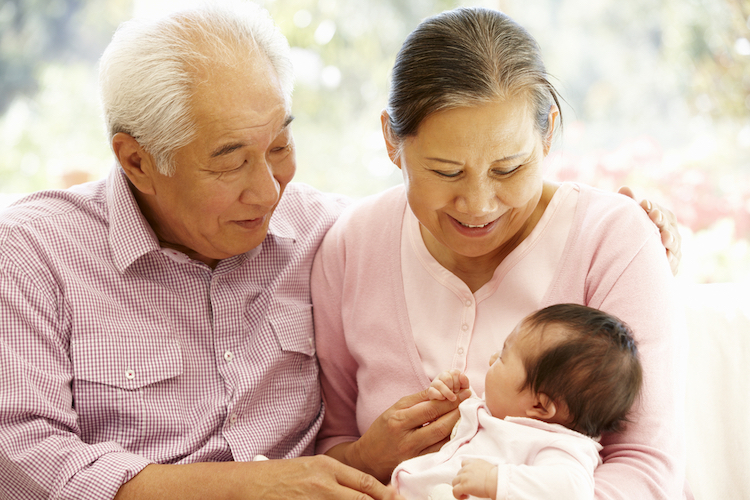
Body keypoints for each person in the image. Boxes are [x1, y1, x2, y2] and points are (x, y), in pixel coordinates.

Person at [0, 2, 406, 499]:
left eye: (279, 146)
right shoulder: (31, 251)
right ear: (138, 161)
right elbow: (21, 456)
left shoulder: (334, 235)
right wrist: (246, 488)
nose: (268, 191)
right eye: (231, 163)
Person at [311, 6, 691, 499]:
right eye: (446, 172)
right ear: (391, 141)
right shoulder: (351, 245)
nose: (479, 205)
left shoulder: (613, 240)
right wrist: (368, 460)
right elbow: (332, 445)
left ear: (548, 133)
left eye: (508, 169)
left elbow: (644, 466)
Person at [392, 304, 643, 500]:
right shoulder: (498, 414)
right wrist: (448, 396)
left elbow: (573, 489)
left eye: (503, 356)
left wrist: (497, 480)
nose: (492, 359)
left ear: (540, 407)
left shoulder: (557, 446)